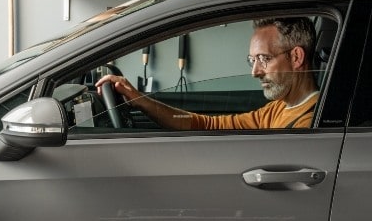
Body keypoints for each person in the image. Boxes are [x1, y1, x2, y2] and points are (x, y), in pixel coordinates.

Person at [95, 17, 319, 130]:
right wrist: (141, 100)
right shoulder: (279, 108)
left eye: (264, 59)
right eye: (252, 60)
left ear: (296, 57)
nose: (255, 72)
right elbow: (207, 125)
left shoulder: (307, 123)